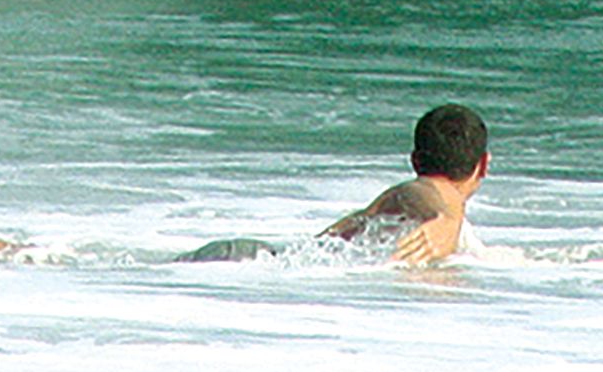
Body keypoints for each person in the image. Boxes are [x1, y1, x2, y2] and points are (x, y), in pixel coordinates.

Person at [183, 104, 491, 265]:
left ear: (414, 159)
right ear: (484, 164)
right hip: (243, 260)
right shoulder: (437, 208)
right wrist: (447, 217)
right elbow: (422, 191)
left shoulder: (458, 238)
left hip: (244, 260)